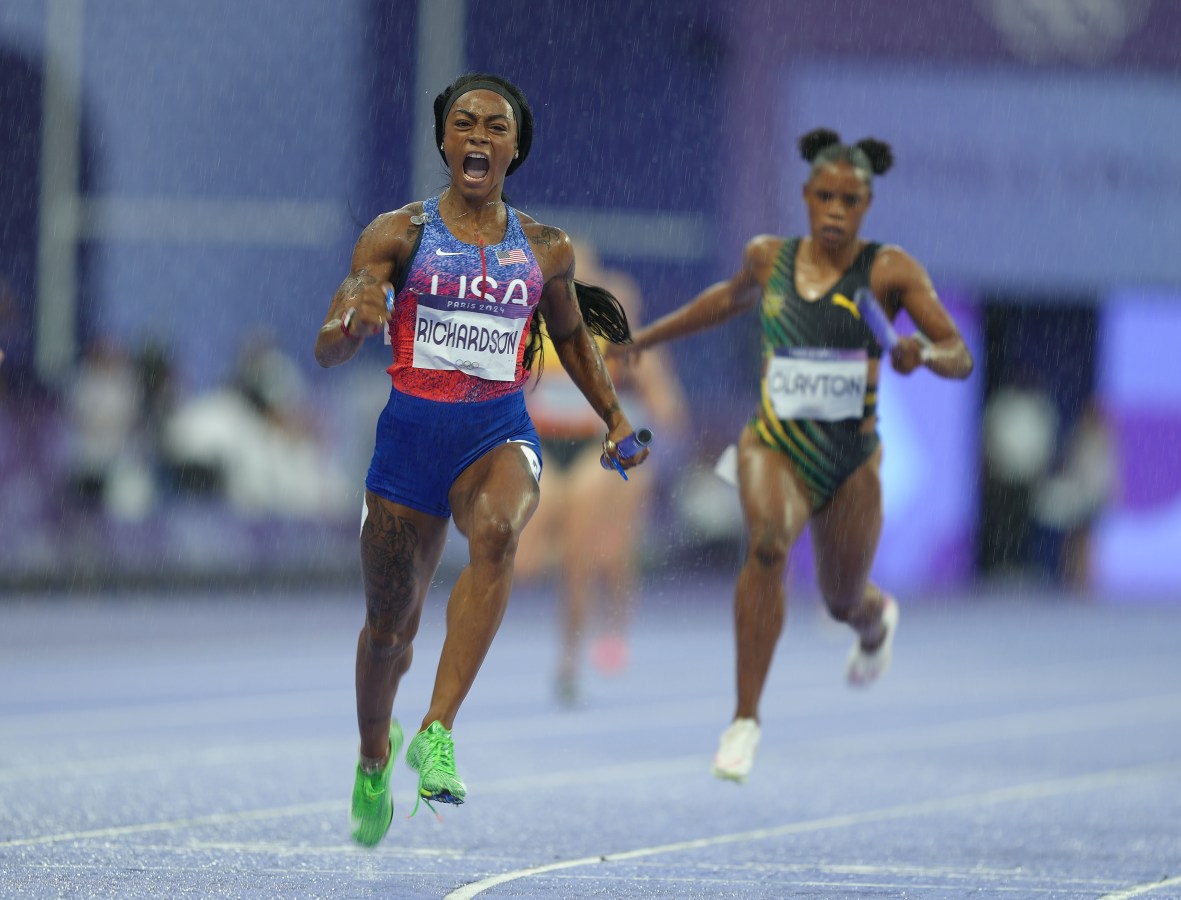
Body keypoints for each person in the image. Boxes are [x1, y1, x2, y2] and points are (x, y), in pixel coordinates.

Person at [313, 72, 647, 846]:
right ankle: (373, 755)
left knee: (498, 532)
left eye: (495, 126)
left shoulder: (545, 249)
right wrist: (352, 325)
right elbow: (327, 346)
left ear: (515, 148)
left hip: (494, 432)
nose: (479, 136)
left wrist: (616, 419)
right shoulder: (395, 234)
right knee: (388, 633)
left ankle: (436, 728)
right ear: (443, 141)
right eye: (464, 122)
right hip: (407, 447)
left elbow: (569, 339)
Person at [614, 128, 973, 783]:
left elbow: (960, 354)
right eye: (824, 196)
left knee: (839, 599)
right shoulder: (766, 259)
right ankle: (744, 720)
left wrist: (922, 353)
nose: (835, 210)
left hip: (849, 459)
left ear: (864, 206)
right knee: (769, 547)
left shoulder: (890, 271)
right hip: (772, 443)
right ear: (806, 197)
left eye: (850, 200)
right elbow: (720, 303)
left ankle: (871, 618)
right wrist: (646, 337)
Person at [515, 239, 688, 705]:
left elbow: (667, 409)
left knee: (597, 556)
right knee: (525, 564)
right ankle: (559, 545)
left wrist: (643, 437)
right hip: (548, 447)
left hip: (599, 449)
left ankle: (575, 656)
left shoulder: (618, 335)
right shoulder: (534, 327)